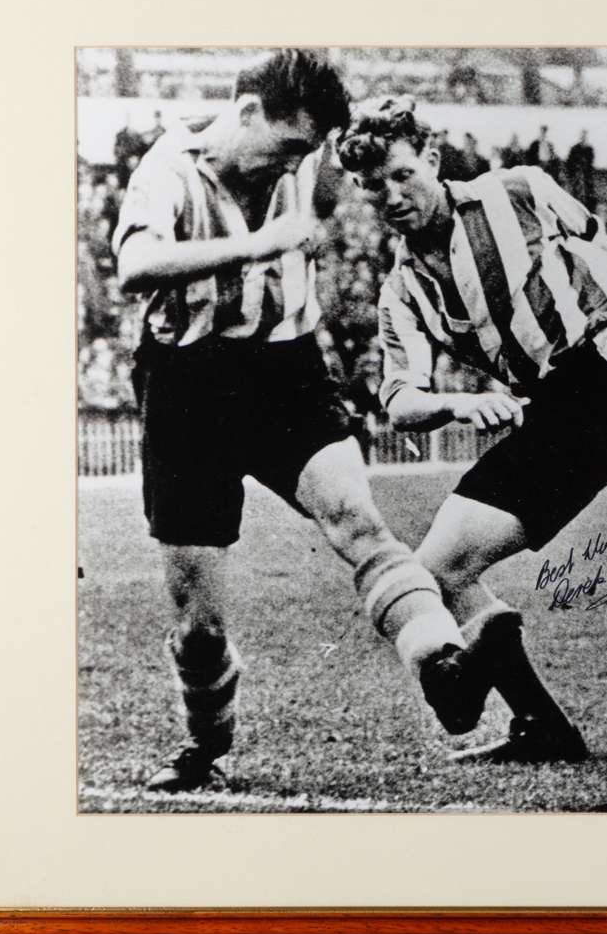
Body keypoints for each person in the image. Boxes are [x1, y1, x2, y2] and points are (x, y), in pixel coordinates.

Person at [111, 50, 525, 793]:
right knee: (199, 629)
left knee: (359, 525)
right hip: (187, 387)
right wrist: (255, 246)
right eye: (288, 147)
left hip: (282, 371)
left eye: (305, 151)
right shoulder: (167, 169)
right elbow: (134, 266)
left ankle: (444, 665)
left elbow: (376, 144)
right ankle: (205, 745)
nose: (294, 165)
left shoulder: (300, 156)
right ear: (245, 114)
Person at [337, 97, 607, 762]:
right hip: (541, 411)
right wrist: (454, 404)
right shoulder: (403, 289)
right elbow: (399, 398)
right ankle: (540, 724)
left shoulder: (518, 189)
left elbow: (590, 234)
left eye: (399, 175)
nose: (391, 197)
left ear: (429, 156)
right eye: (372, 189)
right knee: (438, 570)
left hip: (602, 361)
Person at [565, 130, 597, 213]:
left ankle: (589, 210)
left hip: (586, 175)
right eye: (582, 136)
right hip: (576, 174)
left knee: (589, 193)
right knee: (575, 191)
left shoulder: (589, 149)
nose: (583, 138)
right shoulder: (574, 148)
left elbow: (591, 162)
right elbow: (569, 162)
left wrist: (585, 168)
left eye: (585, 136)